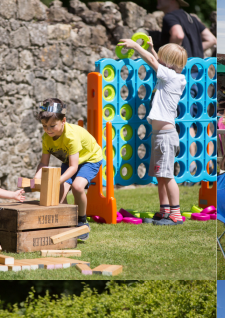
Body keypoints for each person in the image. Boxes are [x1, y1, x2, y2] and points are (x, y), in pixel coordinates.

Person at [118, 38, 187, 224]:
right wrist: (152, 48)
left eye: (163, 59)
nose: (159, 61)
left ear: (169, 64)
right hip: (159, 136)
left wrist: (136, 47)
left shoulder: (172, 77)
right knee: (160, 175)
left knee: (167, 175)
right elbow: (158, 61)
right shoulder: (170, 75)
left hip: (166, 137)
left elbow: (153, 62)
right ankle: (165, 210)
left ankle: (176, 213)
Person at [33, 98, 103, 238]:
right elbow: (43, 163)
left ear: (63, 121)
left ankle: (82, 221)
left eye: (53, 126)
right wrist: (36, 178)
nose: (48, 130)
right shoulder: (46, 138)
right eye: (44, 126)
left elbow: (74, 167)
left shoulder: (71, 136)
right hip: (69, 160)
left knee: (77, 187)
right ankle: (67, 222)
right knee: (60, 193)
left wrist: (56, 180)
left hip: (90, 159)